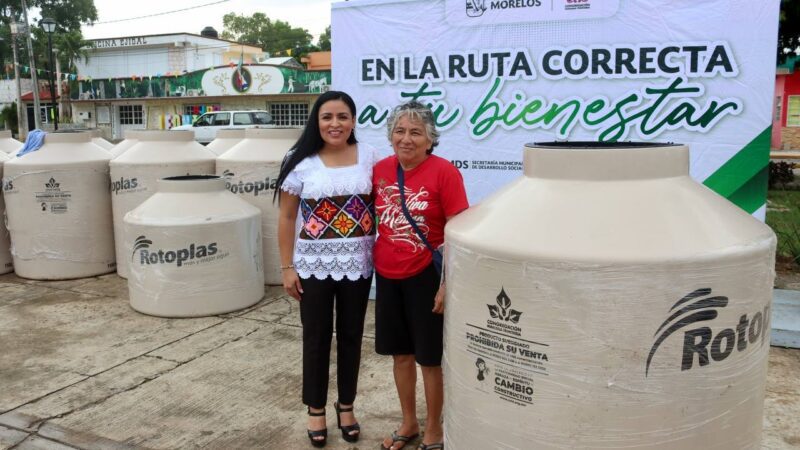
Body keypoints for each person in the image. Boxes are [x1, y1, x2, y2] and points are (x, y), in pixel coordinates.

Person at [276, 90, 377, 448]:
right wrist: (288, 267)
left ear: (353, 121)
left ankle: (346, 405)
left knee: (352, 336)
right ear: (316, 122)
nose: (335, 124)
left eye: (342, 117)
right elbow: (287, 217)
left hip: (358, 264)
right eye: (327, 117)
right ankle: (315, 409)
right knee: (316, 338)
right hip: (313, 266)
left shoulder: (369, 156)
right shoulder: (299, 160)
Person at [373, 101, 469, 450]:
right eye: (399, 131)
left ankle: (434, 429)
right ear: (390, 136)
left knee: (430, 358)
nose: (406, 139)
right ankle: (409, 422)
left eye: (416, 132)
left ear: (430, 139)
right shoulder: (380, 170)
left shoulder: (444, 172)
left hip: (426, 278)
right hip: (387, 274)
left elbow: (458, 233)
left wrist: (446, 285)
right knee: (400, 355)